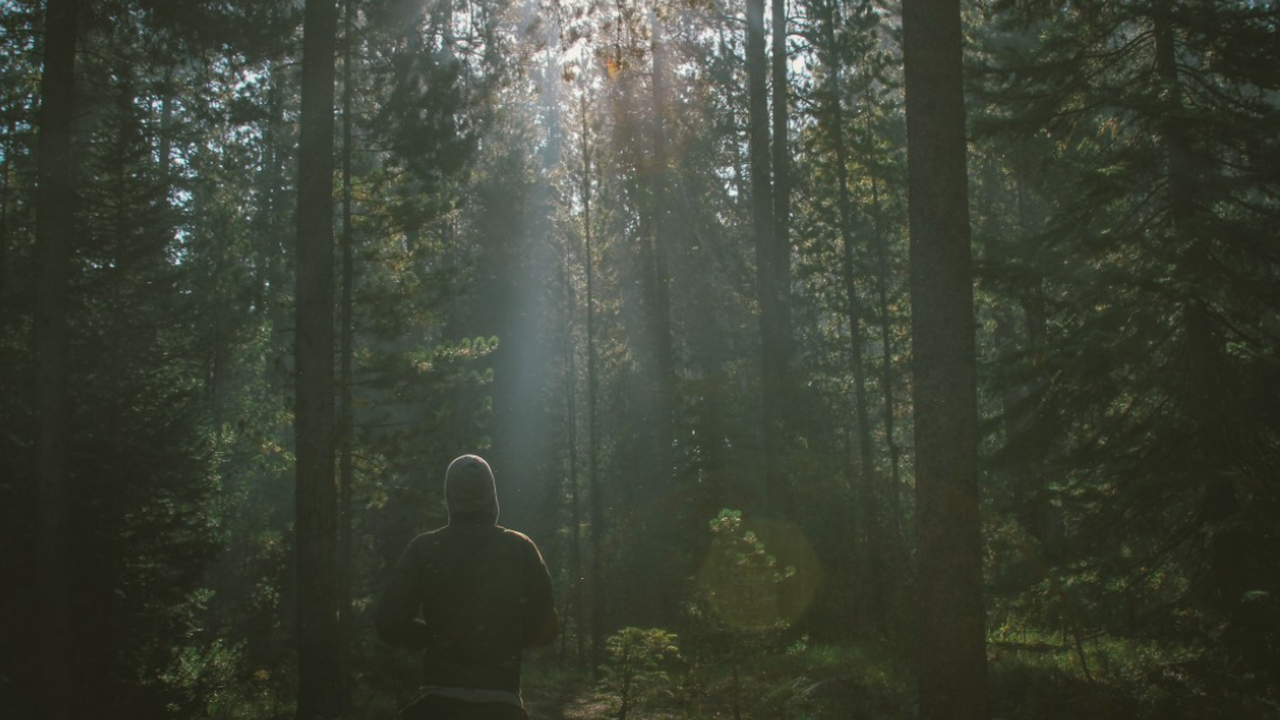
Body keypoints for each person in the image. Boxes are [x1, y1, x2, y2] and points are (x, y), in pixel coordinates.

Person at [376, 454, 558, 720]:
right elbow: (547, 630)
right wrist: (502, 640)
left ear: (450, 497)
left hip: (437, 703)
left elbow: (389, 623)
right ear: (493, 496)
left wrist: (433, 638)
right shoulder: (521, 548)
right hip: (502, 703)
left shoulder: (424, 549)